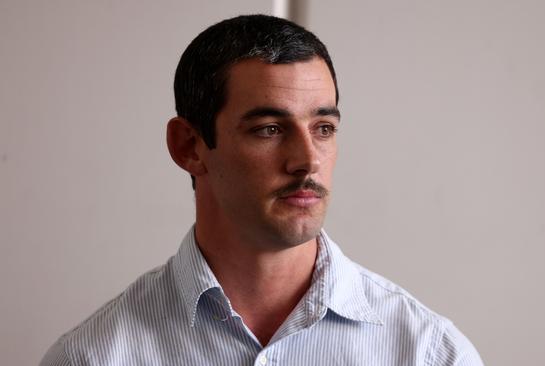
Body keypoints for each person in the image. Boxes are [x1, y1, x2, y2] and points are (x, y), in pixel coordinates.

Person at [41, 14, 483, 365]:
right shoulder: (93, 357)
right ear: (190, 146)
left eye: (324, 128)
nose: (308, 160)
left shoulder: (429, 353)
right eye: (270, 129)